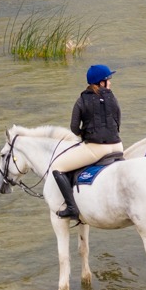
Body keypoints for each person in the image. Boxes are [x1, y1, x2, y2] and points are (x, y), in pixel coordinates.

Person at [52, 64, 124, 221]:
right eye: (108, 79)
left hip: (97, 149)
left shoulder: (81, 100)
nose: (110, 82)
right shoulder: (112, 97)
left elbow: (73, 127)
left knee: (57, 167)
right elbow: (118, 121)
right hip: (118, 146)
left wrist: (83, 134)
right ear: (101, 82)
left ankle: (71, 207)